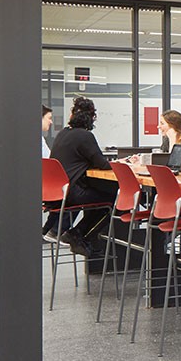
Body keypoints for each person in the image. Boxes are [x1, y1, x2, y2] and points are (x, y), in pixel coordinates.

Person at [45, 97, 118, 256]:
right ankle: (77, 234)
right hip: (72, 193)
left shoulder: (63, 134)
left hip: (58, 192)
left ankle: (63, 231)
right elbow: (102, 163)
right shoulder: (85, 136)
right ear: (91, 118)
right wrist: (123, 164)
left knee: (98, 196)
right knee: (114, 199)